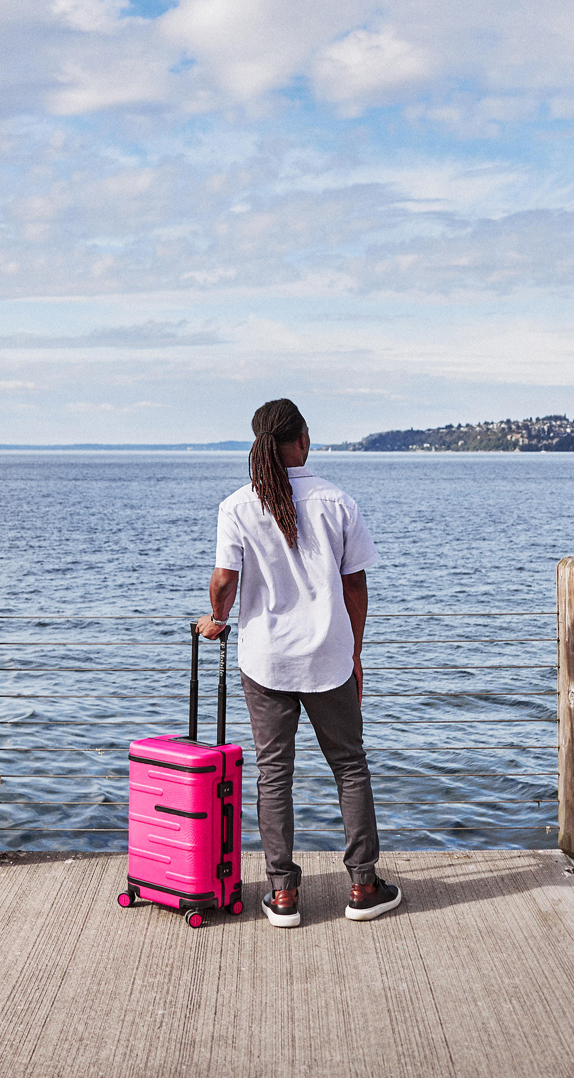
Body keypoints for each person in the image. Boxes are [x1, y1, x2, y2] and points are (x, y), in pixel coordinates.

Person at [196, 397, 401, 927]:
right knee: (350, 767)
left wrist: (217, 616)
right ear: (304, 440)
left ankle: (282, 894)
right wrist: (354, 651)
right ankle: (363, 886)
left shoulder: (237, 506)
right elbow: (355, 585)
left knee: (274, 773)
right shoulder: (337, 502)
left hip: (264, 660)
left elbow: (224, 580)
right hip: (328, 657)